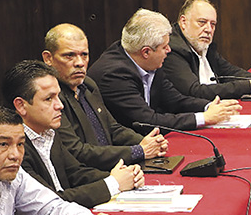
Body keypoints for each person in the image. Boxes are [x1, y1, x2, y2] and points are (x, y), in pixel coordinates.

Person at [4, 60, 143, 208]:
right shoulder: (14, 149)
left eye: (58, 96)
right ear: (21, 106)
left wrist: (125, 176)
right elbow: (52, 202)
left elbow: (76, 173)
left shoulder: (48, 132)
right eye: (49, 99)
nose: (60, 105)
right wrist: (113, 183)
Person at [89, 8, 240, 132]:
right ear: (146, 52)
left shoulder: (149, 62)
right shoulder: (115, 74)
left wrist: (209, 106)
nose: (169, 50)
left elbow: (175, 100)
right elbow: (147, 121)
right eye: (164, 47)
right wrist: (204, 118)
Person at [42, 23, 169, 171]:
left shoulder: (88, 84)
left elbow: (112, 128)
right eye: (69, 56)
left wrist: (147, 142)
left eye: (84, 55)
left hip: (114, 168)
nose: (79, 63)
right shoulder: (50, 98)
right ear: (48, 58)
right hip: (88, 177)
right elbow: (76, 151)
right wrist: (138, 151)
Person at [164, 0, 251, 100]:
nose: (208, 29)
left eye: (213, 24)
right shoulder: (172, 49)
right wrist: (247, 87)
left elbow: (229, 72)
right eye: (202, 22)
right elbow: (194, 91)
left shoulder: (203, 45)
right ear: (183, 22)